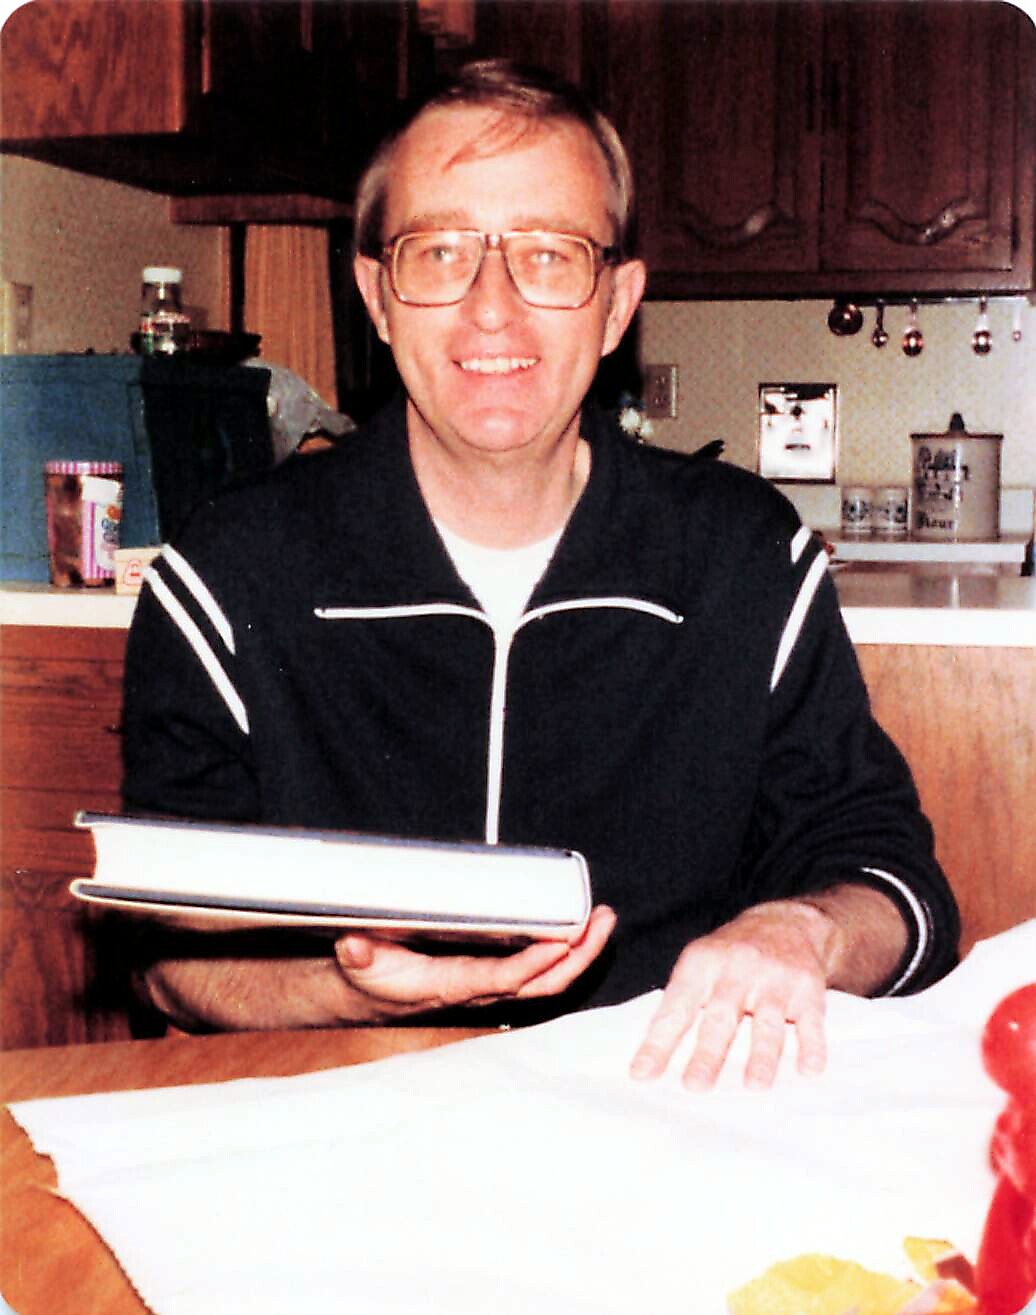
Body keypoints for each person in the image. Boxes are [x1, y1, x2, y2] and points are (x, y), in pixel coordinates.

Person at [121, 59, 960, 1090]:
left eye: (549, 256)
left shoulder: (745, 558)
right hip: (347, 1115)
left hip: (661, 1113)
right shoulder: (224, 577)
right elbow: (165, 954)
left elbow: (893, 883)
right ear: (376, 296)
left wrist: (804, 931)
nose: (492, 309)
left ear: (616, 304)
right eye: (440, 251)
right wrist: (350, 990)